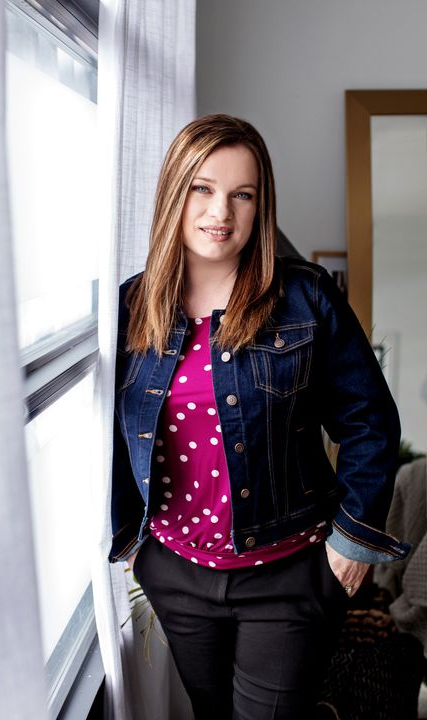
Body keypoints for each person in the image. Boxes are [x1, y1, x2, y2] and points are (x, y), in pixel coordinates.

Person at [108, 113, 410, 720]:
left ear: (260, 204)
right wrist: (136, 548)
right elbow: (110, 440)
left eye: (242, 194)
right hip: (177, 572)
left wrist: (351, 541)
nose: (222, 211)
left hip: (287, 574)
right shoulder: (132, 306)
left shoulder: (305, 297)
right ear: (174, 193)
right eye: (203, 188)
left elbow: (368, 421)